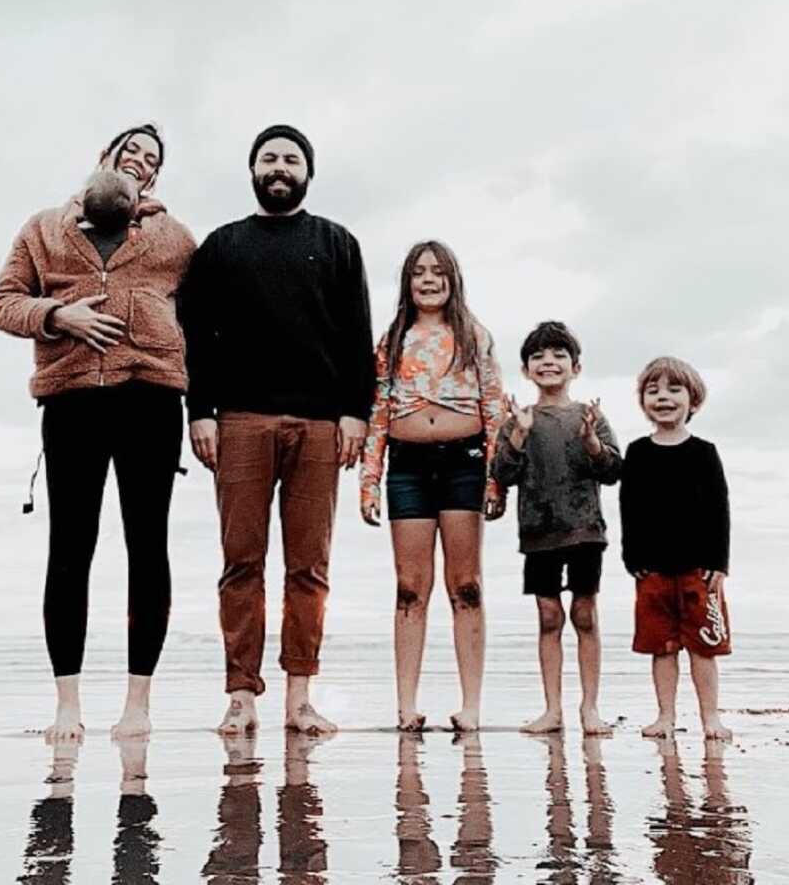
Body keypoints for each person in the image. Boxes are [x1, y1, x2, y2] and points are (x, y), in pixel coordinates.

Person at [0, 124, 195, 741]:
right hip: (72, 402)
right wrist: (57, 315)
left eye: (150, 159)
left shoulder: (176, 239)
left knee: (147, 545)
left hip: (150, 400)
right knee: (70, 548)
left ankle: (138, 705)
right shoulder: (43, 229)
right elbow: (2, 302)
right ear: (104, 158)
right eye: (129, 151)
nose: (138, 161)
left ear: (154, 178)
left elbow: (207, 318)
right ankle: (67, 707)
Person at [180, 123, 375, 735]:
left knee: (309, 565)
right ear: (254, 172)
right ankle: (241, 696)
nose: (280, 166)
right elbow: (196, 337)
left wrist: (356, 412)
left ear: (307, 172)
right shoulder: (221, 247)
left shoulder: (338, 243)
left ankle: (300, 697)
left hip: (321, 423)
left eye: (291, 158)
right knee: (242, 560)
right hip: (239, 419)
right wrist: (200, 410)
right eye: (269, 157)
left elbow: (356, 335)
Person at [360, 241, 505, 732]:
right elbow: (378, 410)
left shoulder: (473, 334)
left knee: (465, 585)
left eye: (438, 272)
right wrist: (369, 479)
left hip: (464, 463)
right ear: (407, 281)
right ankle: (406, 704)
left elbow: (495, 409)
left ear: (453, 279)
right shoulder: (393, 338)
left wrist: (495, 477)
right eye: (419, 272)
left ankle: (472, 705)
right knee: (409, 588)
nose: (428, 279)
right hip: (407, 465)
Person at [491, 320, 621, 735]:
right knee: (549, 616)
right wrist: (519, 436)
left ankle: (590, 708)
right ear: (527, 370)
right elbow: (502, 474)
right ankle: (552, 710)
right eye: (538, 356)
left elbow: (614, 470)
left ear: (575, 367)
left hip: (585, 529)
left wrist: (592, 444)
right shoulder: (517, 420)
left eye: (558, 355)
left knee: (585, 614)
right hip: (538, 531)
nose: (548, 362)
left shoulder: (590, 416)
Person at [619, 356, 732, 740]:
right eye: (653, 391)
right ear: (644, 402)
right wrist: (631, 558)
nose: (663, 397)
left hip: (699, 570)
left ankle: (710, 718)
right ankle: (665, 716)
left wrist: (719, 562)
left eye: (673, 389)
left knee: (704, 648)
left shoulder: (704, 452)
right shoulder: (637, 453)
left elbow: (720, 508)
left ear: (693, 400)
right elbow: (629, 509)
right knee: (661, 648)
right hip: (652, 569)